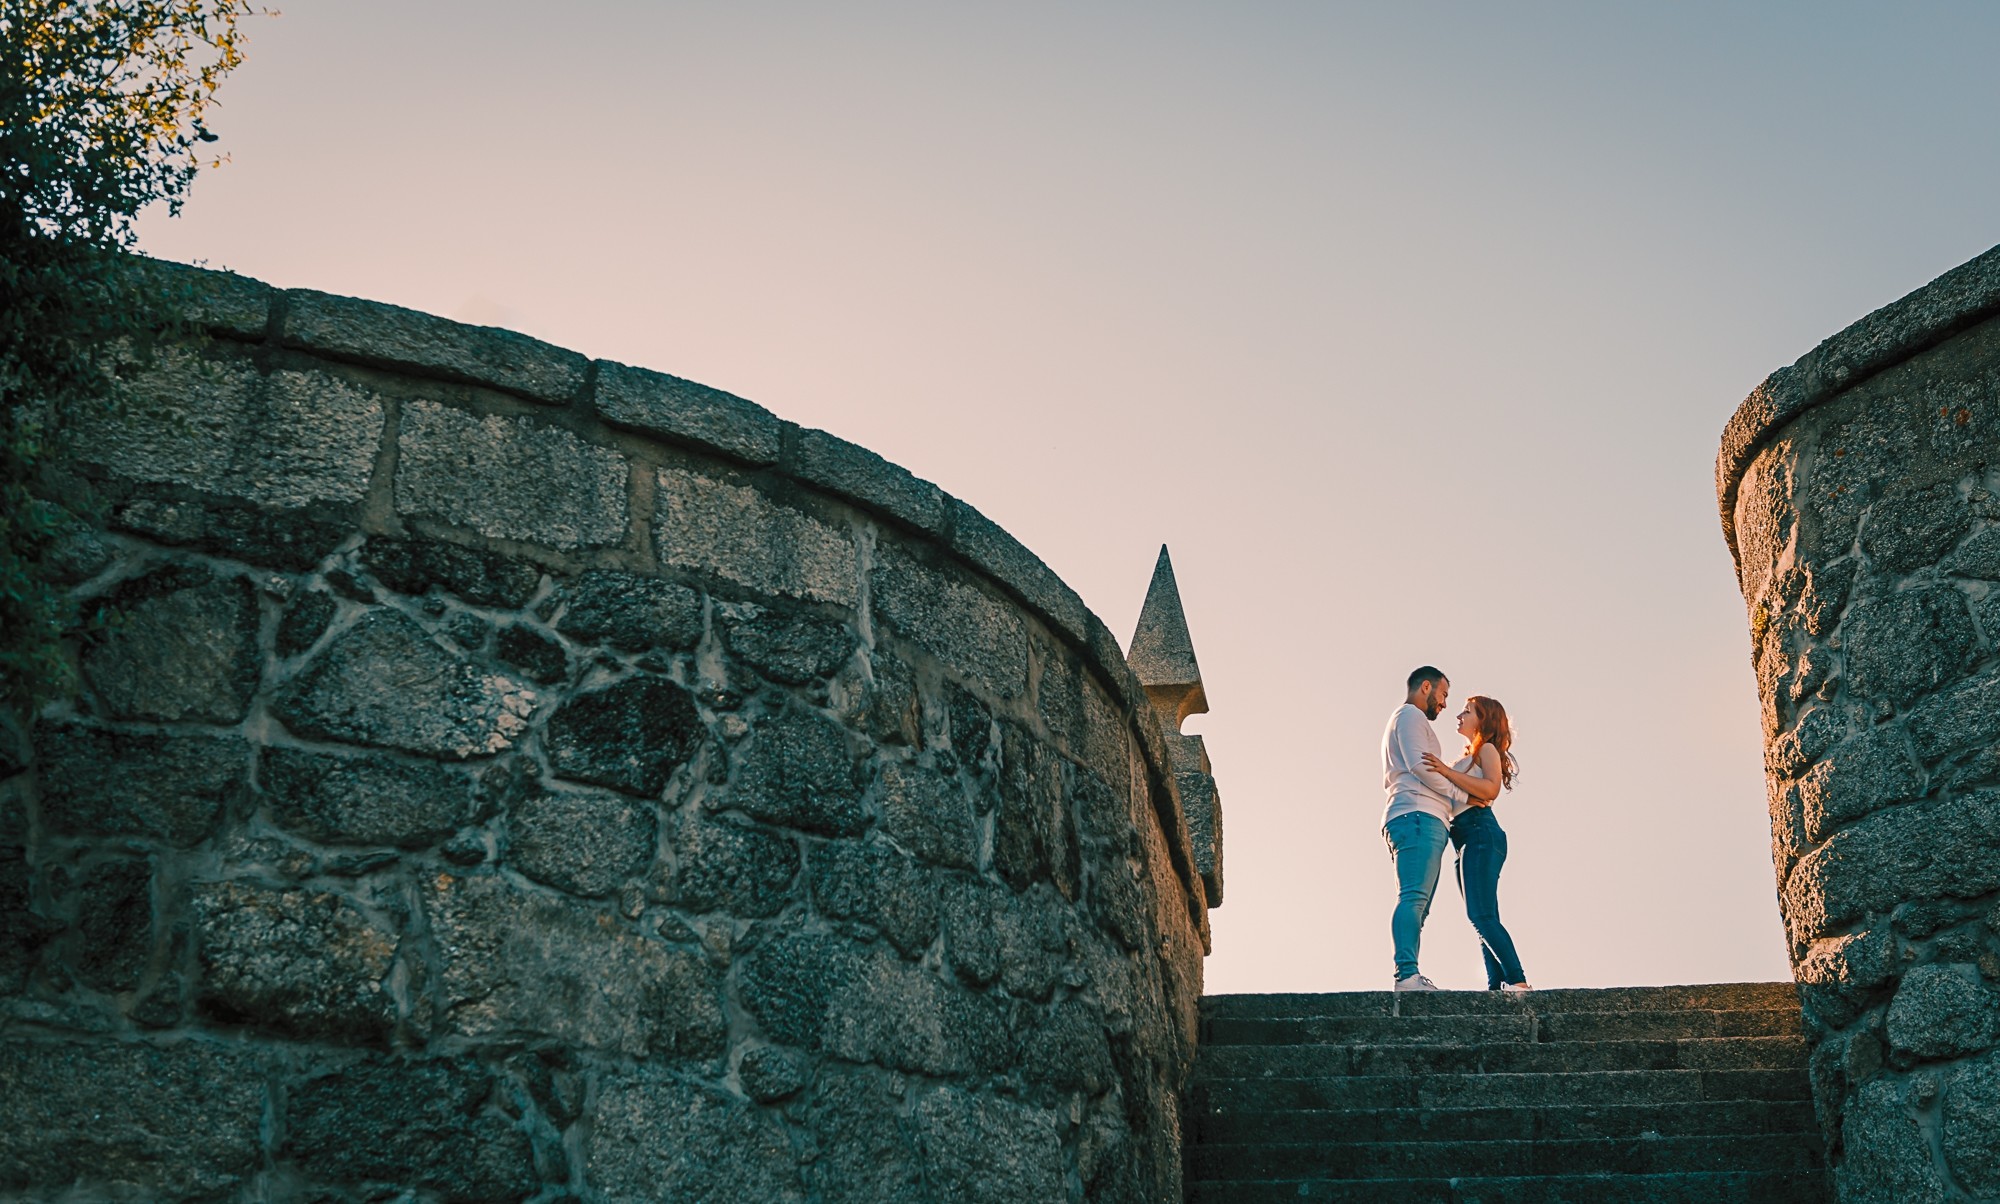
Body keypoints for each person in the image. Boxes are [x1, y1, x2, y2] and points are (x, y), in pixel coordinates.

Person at [1422, 695, 1530, 992]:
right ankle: (1498, 986)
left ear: (1483, 719)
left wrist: (1445, 771)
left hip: (1481, 831)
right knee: (1483, 915)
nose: (1459, 715)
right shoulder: (1468, 757)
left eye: (1467, 711)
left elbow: (1490, 789)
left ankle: (1517, 982)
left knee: (1480, 915)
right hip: (1464, 837)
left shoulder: (1488, 750)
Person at [1381, 666, 1467, 993]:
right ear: (1427, 687)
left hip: (1419, 818)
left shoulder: (1406, 719)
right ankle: (1406, 975)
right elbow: (1419, 765)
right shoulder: (1410, 716)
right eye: (1444, 695)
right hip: (1416, 815)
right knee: (1413, 899)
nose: (1445, 704)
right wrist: (1460, 793)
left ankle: (1410, 973)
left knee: (1419, 904)